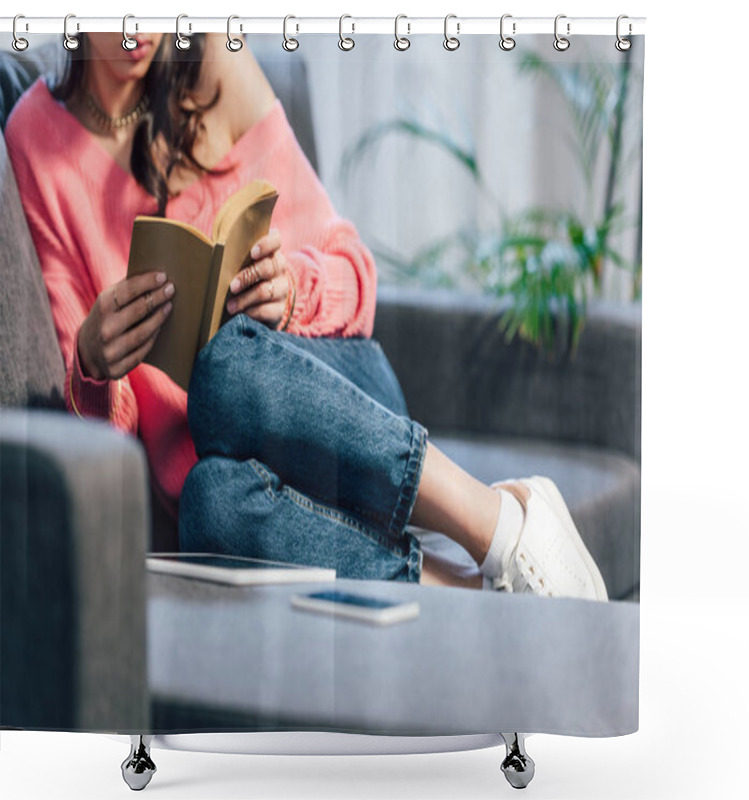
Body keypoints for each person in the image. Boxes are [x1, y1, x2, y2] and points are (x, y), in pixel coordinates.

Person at [5, 31, 607, 600]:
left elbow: (357, 277)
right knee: (206, 504)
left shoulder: (216, 66)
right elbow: (85, 422)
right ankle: (470, 592)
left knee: (224, 368)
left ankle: (500, 522)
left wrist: (293, 292)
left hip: (344, 411)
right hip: (241, 481)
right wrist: (94, 363)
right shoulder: (36, 136)